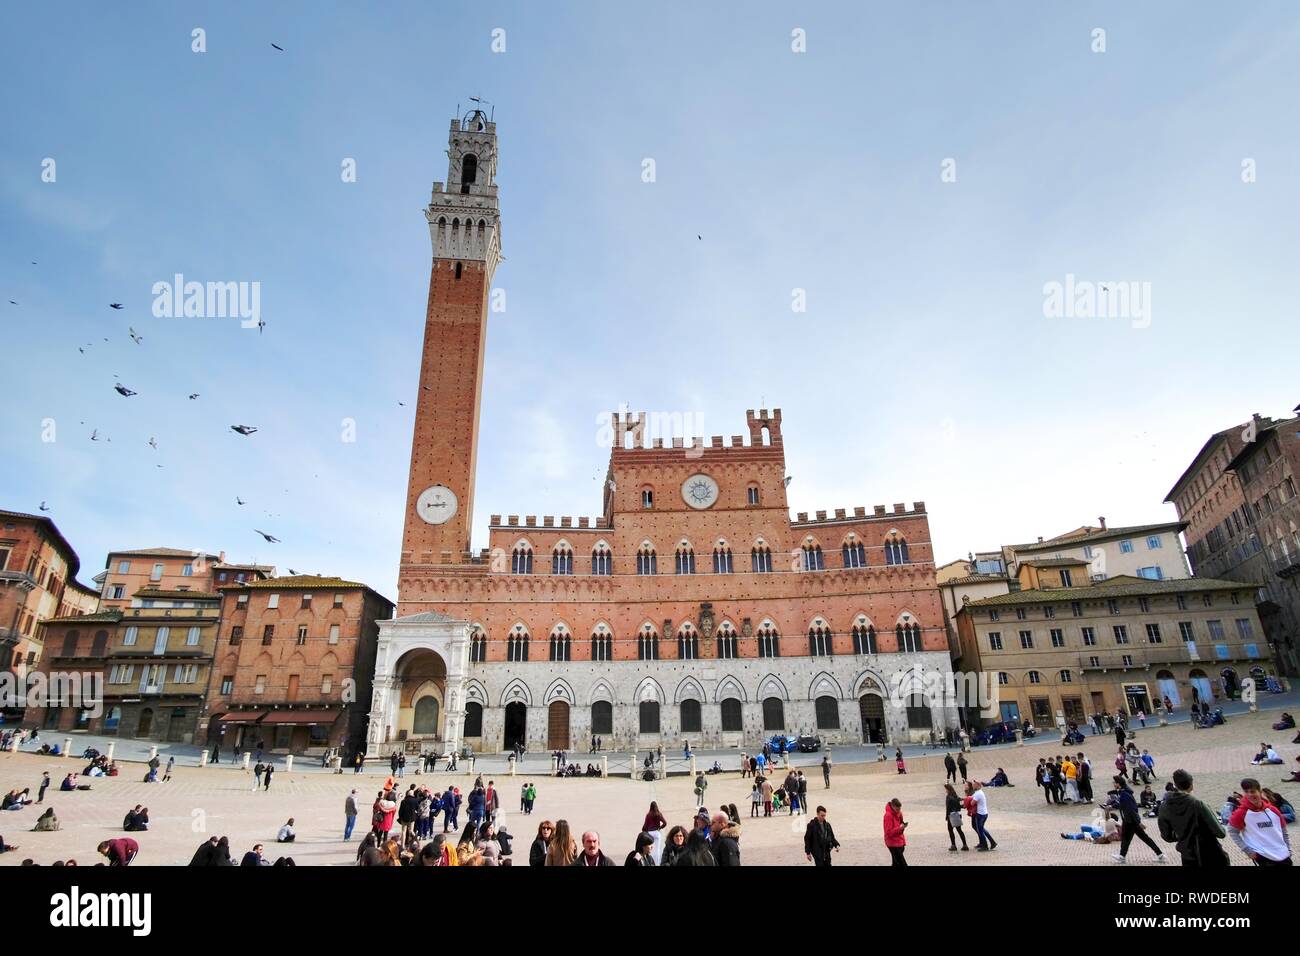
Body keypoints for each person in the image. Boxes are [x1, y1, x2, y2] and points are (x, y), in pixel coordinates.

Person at [1228, 777, 1292, 866]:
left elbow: (1284, 831)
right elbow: (1232, 832)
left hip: (1283, 854)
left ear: (1260, 792)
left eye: (1253, 791)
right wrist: (1247, 850)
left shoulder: (1273, 810)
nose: (1250, 795)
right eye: (1246, 792)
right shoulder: (1241, 813)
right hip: (1262, 855)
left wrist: (1288, 849)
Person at [1106, 776, 1168, 864]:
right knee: (1129, 838)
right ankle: (1160, 855)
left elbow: (1131, 809)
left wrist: (1138, 822)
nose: (1113, 784)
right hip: (1130, 820)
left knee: (1134, 838)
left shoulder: (1124, 794)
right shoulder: (1124, 791)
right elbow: (1122, 803)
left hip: (1131, 821)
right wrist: (1112, 805)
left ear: (1118, 784)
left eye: (1114, 783)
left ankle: (1160, 855)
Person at [965, 780, 997, 851]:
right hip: (983, 814)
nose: (972, 786)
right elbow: (970, 799)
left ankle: (985, 846)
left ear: (977, 786)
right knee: (981, 829)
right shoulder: (978, 793)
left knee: (980, 830)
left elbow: (972, 803)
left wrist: (966, 803)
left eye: (973, 785)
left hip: (981, 814)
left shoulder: (978, 794)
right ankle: (992, 842)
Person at [944, 783, 969, 851]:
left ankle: (953, 845)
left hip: (951, 815)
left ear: (947, 789)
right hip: (957, 815)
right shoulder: (955, 796)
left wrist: (946, 817)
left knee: (950, 830)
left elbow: (948, 808)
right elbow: (958, 805)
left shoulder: (948, 797)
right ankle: (965, 844)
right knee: (959, 830)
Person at [883, 798, 907, 866]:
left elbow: (900, 825)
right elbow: (889, 833)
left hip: (899, 842)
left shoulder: (899, 813)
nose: (898, 811)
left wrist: (902, 827)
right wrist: (900, 828)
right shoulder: (888, 816)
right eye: (897, 809)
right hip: (892, 843)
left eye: (900, 809)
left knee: (896, 864)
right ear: (893, 806)